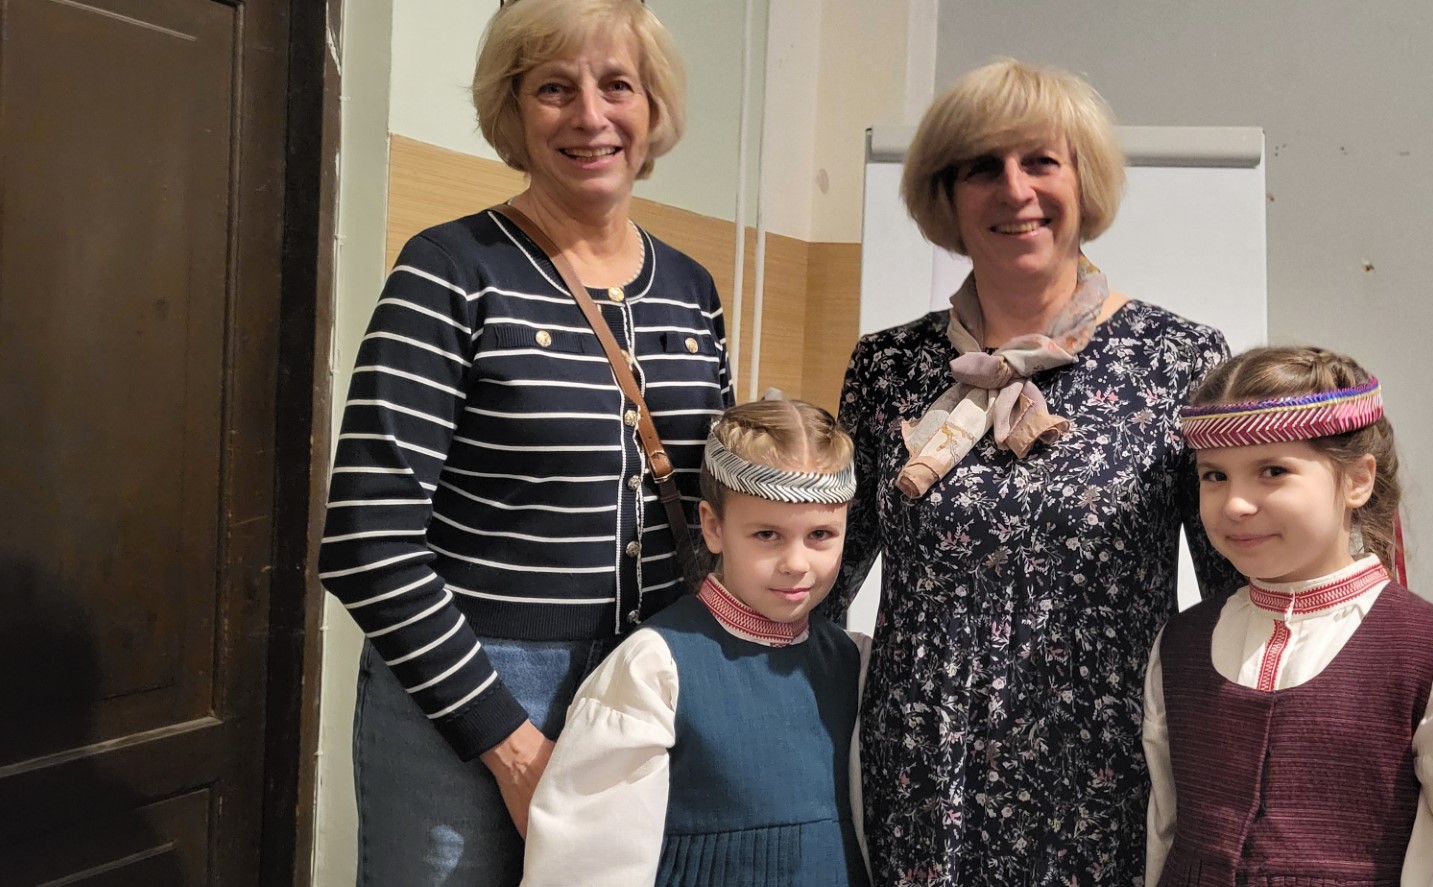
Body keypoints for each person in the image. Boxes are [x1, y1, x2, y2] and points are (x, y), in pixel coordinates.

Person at [316, 1, 730, 883]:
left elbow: (714, 511)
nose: (590, 115)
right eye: (553, 88)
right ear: (513, 108)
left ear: (653, 106)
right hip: (468, 695)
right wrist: (507, 743)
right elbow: (366, 538)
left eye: (617, 85)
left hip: (644, 686)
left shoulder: (692, 291)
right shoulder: (450, 268)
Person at [827, 59, 1239, 885]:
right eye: (982, 167)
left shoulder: (1180, 361)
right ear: (946, 196)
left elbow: (1233, 589)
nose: (1015, 190)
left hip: (1101, 776)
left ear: (1085, 182)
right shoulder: (887, 367)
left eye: (1041, 161)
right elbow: (826, 571)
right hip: (925, 776)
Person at [1142, 346, 1433, 886]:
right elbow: (1165, 832)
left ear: (1357, 480)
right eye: (1215, 476)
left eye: (1272, 471)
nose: (1236, 504)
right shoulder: (1181, 646)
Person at [522, 399, 869, 886]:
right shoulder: (653, 668)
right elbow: (586, 864)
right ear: (713, 527)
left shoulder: (855, 662)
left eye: (820, 535)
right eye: (767, 534)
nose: (796, 563)